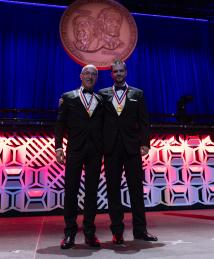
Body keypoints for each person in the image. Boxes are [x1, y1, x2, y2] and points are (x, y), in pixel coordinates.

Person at [98, 59, 158, 244]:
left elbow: (144, 121)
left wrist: (145, 143)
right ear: (111, 74)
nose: (118, 74)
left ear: (126, 72)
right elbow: (97, 120)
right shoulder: (103, 94)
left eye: (121, 71)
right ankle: (117, 231)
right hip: (111, 149)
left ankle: (140, 230)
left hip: (132, 147)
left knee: (136, 191)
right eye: (115, 71)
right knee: (113, 190)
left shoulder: (137, 94)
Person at [55, 64, 103, 249]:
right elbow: (60, 124)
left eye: (93, 74)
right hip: (74, 149)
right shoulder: (68, 97)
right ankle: (69, 233)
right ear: (81, 76)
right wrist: (58, 147)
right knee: (71, 191)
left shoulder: (101, 99)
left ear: (96, 78)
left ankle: (90, 233)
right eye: (87, 73)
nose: (90, 77)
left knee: (92, 192)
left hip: (96, 151)